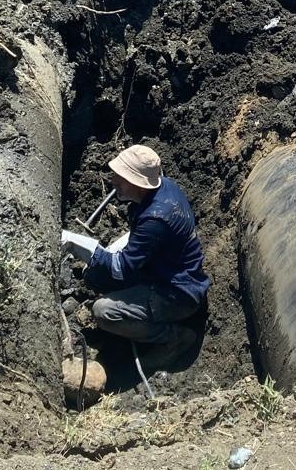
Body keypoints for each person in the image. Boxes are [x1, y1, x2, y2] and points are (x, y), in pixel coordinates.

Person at [68, 144, 210, 364]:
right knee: (94, 275)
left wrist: (80, 245)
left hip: (177, 294)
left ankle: (174, 338)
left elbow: (120, 267)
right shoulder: (164, 188)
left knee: (103, 312)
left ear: (139, 184)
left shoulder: (155, 219)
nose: (113, 181)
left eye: (121, 177)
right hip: (162, 267)